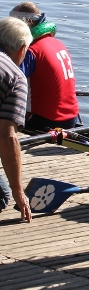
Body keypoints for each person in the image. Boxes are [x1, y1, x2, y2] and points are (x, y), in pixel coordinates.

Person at [9, 2, 80, 131]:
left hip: (44, 121)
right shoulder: (58, 43)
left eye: (14, 24)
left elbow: (10, 83)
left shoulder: (30, 51)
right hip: (71, 118)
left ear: (29, 22)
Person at [0, 17, 33, 222]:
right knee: (1, 196)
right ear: (22, 49)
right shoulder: (16, 77)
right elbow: (7, 137)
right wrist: (18, 190)